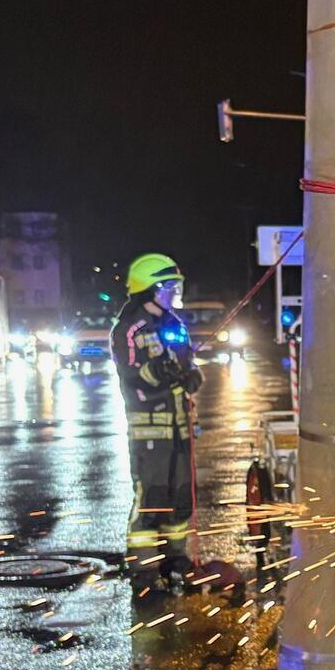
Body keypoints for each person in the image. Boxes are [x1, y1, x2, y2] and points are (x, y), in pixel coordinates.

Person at [114, 253, 202, 595]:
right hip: (151, 430)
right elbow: (131, 374)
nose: (175, 291)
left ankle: (176, 566)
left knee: (180, 501)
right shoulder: (130, 328)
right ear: (150, 289)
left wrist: (192, 375)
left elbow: (186, 362)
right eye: (169, 286)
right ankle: (144, 574)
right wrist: (155, 373)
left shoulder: (175, 325)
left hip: (180, 429)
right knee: (153, 501)